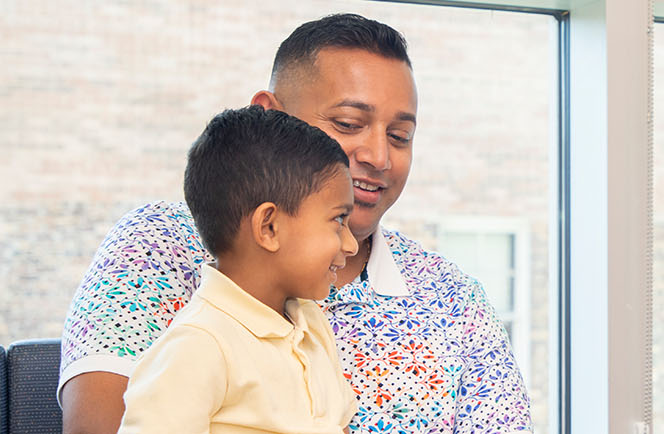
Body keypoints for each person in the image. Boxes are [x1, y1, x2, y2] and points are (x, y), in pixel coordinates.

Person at [59, 14, 532, 434]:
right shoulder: (158, 246)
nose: (379, 157)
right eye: (348, 124)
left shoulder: (454, 302)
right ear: (270, 117)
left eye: (400, 136)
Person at [119, 106, 360, 433]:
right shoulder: (199, 345)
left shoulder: (311, 321)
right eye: (338, 221)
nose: (351, 244)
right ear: (269, 227)